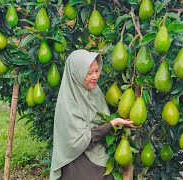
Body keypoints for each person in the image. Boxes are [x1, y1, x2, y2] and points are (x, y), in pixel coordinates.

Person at [49, 49, 138, 180]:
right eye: (89, 73)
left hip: (101, 157)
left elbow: (102, 118)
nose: (95, 76)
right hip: (78, 164)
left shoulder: (95, 92)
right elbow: (79, 141)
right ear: (76, 74)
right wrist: (112, 124)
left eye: (97, 71)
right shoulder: (68, 103)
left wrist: (122, 122)